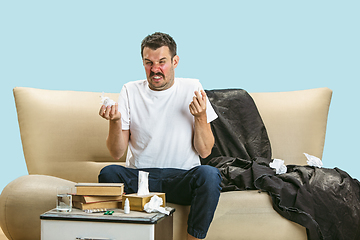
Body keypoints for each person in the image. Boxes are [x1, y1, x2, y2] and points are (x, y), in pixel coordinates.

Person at [98, 32, 222, 240]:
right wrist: (115, 121)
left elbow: (205, 150)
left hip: (181, 177)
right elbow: (116, 153)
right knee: (108, 174)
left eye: (162, 62)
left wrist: (200, 116)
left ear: (175, 61)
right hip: (141, 179)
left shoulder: (192, 87)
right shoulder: (129, 90)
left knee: (209, 175)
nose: (155, 69)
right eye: (149, 63)